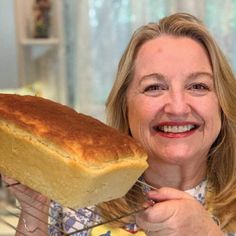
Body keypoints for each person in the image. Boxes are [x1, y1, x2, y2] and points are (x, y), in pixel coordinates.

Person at [3, 12, 236, 235]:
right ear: (125, 106)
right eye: (154, 87)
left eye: (198, 86)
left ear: (223, 103)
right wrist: (34, 211)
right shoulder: (77, 198)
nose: (177, 107)